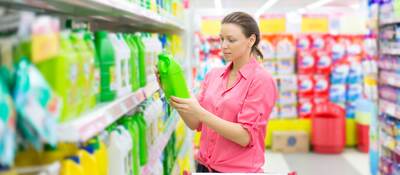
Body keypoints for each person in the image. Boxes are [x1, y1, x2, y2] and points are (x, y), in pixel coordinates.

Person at [157, 11, 277, 173]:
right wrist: (170, 89)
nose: (223, 45)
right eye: (221, 39)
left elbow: (245, 137)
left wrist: (200, 112)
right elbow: (195, 123)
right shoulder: (213, 75)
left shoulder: (261, 80)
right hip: (204, 167)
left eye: (231, 40)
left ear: (251, 40)